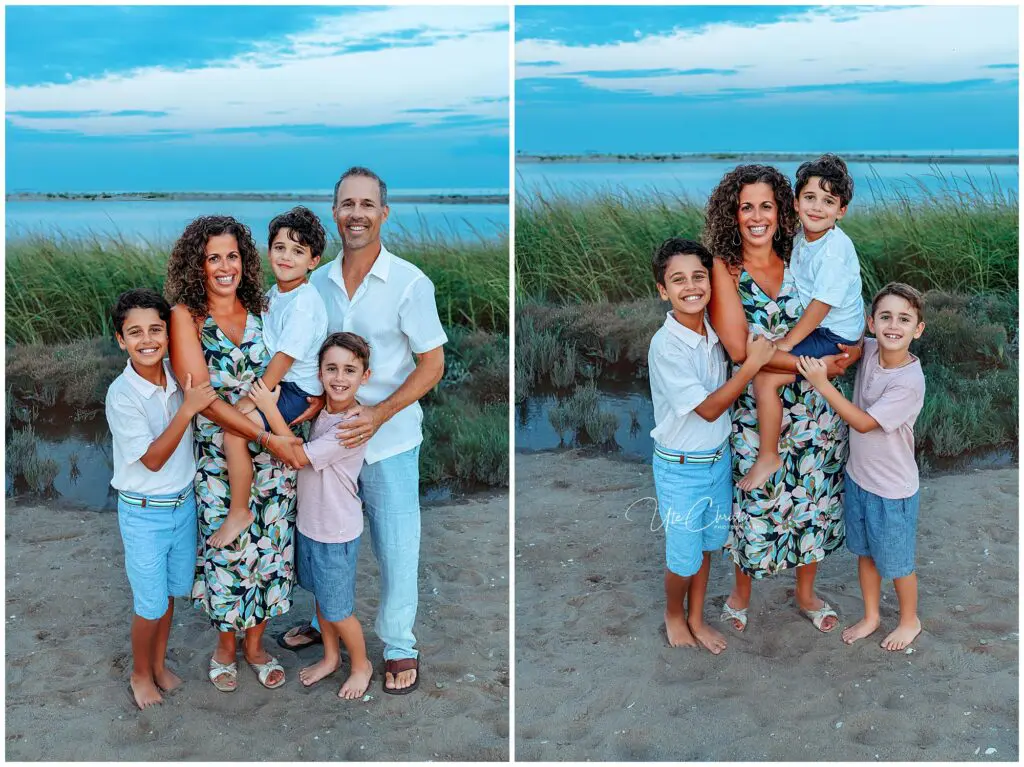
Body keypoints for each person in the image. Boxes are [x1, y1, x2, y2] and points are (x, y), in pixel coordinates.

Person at [277, 166, 445, 695]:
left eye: (367, 204)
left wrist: (380, 413)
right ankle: (327, 618)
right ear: (334, 212)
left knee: (396, 545)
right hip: (328, 441)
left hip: (389, 441)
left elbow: (432, 363)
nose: (356, 213)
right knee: (322, 534)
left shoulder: (410, 282)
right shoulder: (314, 281)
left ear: (383, 213)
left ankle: (398, 644)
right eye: (347, 203)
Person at [705, 164, 861, 634]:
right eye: (746, 207)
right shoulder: (724, 268)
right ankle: (740, 593)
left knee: (813, 501)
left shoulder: (802, 252)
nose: (757, 216)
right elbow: (738, 350)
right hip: (758, 409)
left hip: (815, 406)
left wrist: (845, 359)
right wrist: (816, 366)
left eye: (765, 206)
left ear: (781, 210)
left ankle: (806, 593)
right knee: (756, 504)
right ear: (732, 214)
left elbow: (842, 313)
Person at [165, 215, 304, 692]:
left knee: (269, 551)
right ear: (197, 265)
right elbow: (203, 396)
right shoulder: (186, 316)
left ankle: (256, 646)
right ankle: (225, 647)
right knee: (226, 555)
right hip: (219, 457)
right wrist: (264, 437)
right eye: (213, 258)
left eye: (233, 256)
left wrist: (278, 434)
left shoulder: (265, 308)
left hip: (273, 455)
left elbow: (293, 374)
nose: (225, 267)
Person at [647, 238, 777, 654]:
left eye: (699, 277)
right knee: (682, 557)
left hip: (717, 463)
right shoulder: (665, 346)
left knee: (707, 546)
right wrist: (753, 366)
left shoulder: (713, 333)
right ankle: (673, 615)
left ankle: (698, 618)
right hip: (680, 468)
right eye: (678, 279)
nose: (691, 286)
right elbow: (707, 409)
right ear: (662, 290)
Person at [797, 283, 926, 651]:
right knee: (866, 554)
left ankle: (908, 620)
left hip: (893, 490)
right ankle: (871, 615)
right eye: (885, 316)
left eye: (904, 319)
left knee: (898, 564)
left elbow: (865, 422)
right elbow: (847, 347)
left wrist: (822, 383)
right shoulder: (868, 349)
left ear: (918, 329)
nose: (893, 326)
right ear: (871, 322)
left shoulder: (909, 382)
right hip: (859, 480)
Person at [105, 288, 218, 709]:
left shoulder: (176, 374)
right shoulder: (122, 394)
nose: (147, 339)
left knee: (170, 595)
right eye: (135, 332)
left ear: (169, 334)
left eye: (156, 329)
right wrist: (187, 410)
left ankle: (158, 664)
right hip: (143, 513)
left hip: (183, 506)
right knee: (149, 605)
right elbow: (152, 459)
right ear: (120, 340)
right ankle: (139, 673)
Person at [250, 332, 375, 697]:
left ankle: (362, 664)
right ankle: (331, 657)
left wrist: (268, 407)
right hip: (310, 525)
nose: (339, 378)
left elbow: (299, 457)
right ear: (318, 373)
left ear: (364, 376)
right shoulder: (323, 411)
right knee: (322, 600)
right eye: (331, 368)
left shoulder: (352, 425)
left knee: (339, 610)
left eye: (350, 370)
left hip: (336, 531)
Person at [739, 155, 865, 491]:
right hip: (828, 328)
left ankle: (769, 455)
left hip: (833, 332)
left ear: (842, 211)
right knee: (766, 374)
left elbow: (821, 306)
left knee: (764, 381)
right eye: (810, 198)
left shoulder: (835, 250)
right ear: (795, 203)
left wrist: (789, 342)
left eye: (829, 201)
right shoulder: (801, 238)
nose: (817, 207)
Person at [212, 206, 330, 547]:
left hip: (295, 388)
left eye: (298, 251)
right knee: (235, 424)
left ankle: (239, 512)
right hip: (280, 381)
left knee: (234, 434)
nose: (286, 257)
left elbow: (283, 359)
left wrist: (252, 399)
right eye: (280, 248)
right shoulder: (276, 295)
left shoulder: (304, 304)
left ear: (314, 261)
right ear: (269, 252)